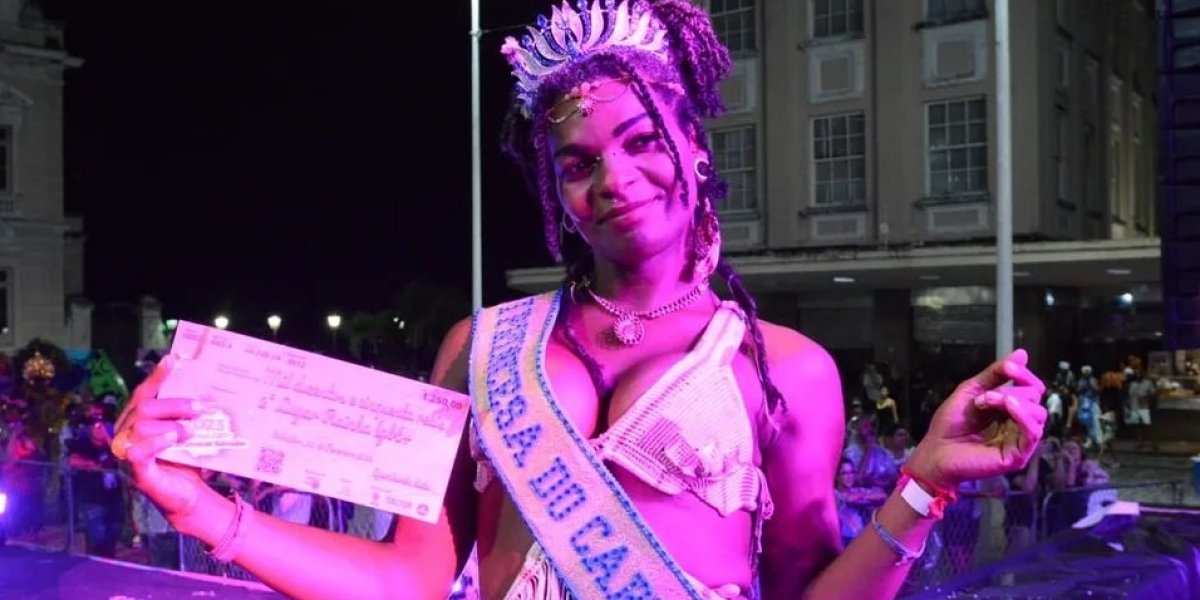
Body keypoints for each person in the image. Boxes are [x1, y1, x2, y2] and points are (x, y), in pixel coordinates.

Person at [109, 2, 1047, 598]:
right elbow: (409, 578)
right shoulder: (479, 348)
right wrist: (196, 507)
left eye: (643, 141)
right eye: (579, 162)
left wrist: (927, 480)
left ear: (696, 148)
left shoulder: (786, 368)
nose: (617, 177)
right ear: (554, 190)